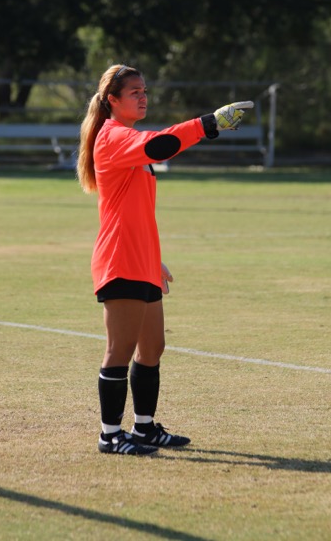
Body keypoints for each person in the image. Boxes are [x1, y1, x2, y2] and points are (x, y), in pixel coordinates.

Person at [77, 64, 253, 456]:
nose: (143, 96)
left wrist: (154, 259)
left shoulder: (129, 138)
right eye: (134, 92)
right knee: (119, 350)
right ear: (113, 102)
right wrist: (210, 123)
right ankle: (109, 434)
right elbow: (162, 145)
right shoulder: (113, 137)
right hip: (120, 259)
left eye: (144, 90)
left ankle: (143, 429)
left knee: (152, 347)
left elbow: (136, 210)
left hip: (141, 258)